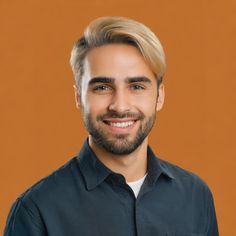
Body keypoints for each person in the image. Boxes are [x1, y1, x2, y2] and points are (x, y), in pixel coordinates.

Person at [4, 16, 219, 236]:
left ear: (159, 96)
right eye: (102, 87)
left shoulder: (196, 197)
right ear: (78, 97)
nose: (119, 105)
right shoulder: (36, 212)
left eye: (136, 86)